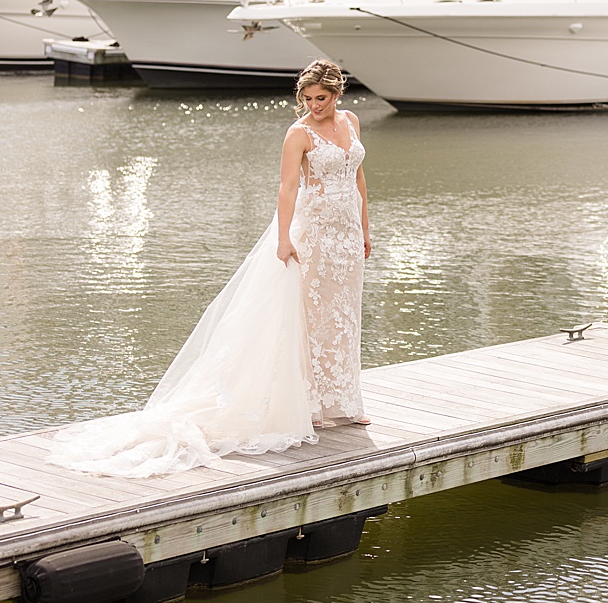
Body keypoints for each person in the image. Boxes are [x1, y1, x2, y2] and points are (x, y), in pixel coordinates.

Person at [48, 59, 372, 478]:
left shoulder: (351, 122)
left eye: (321, 99)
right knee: (307, 318)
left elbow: (359, 178)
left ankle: (345, 403)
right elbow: (288, 187)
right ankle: (309, 405)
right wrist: (284, 238)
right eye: (307, 99)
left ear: (337, 94)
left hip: (346, 234)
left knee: (343, 316)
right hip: (313, 231)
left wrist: (364, 228)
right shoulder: (298, 133)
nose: (313, 106)